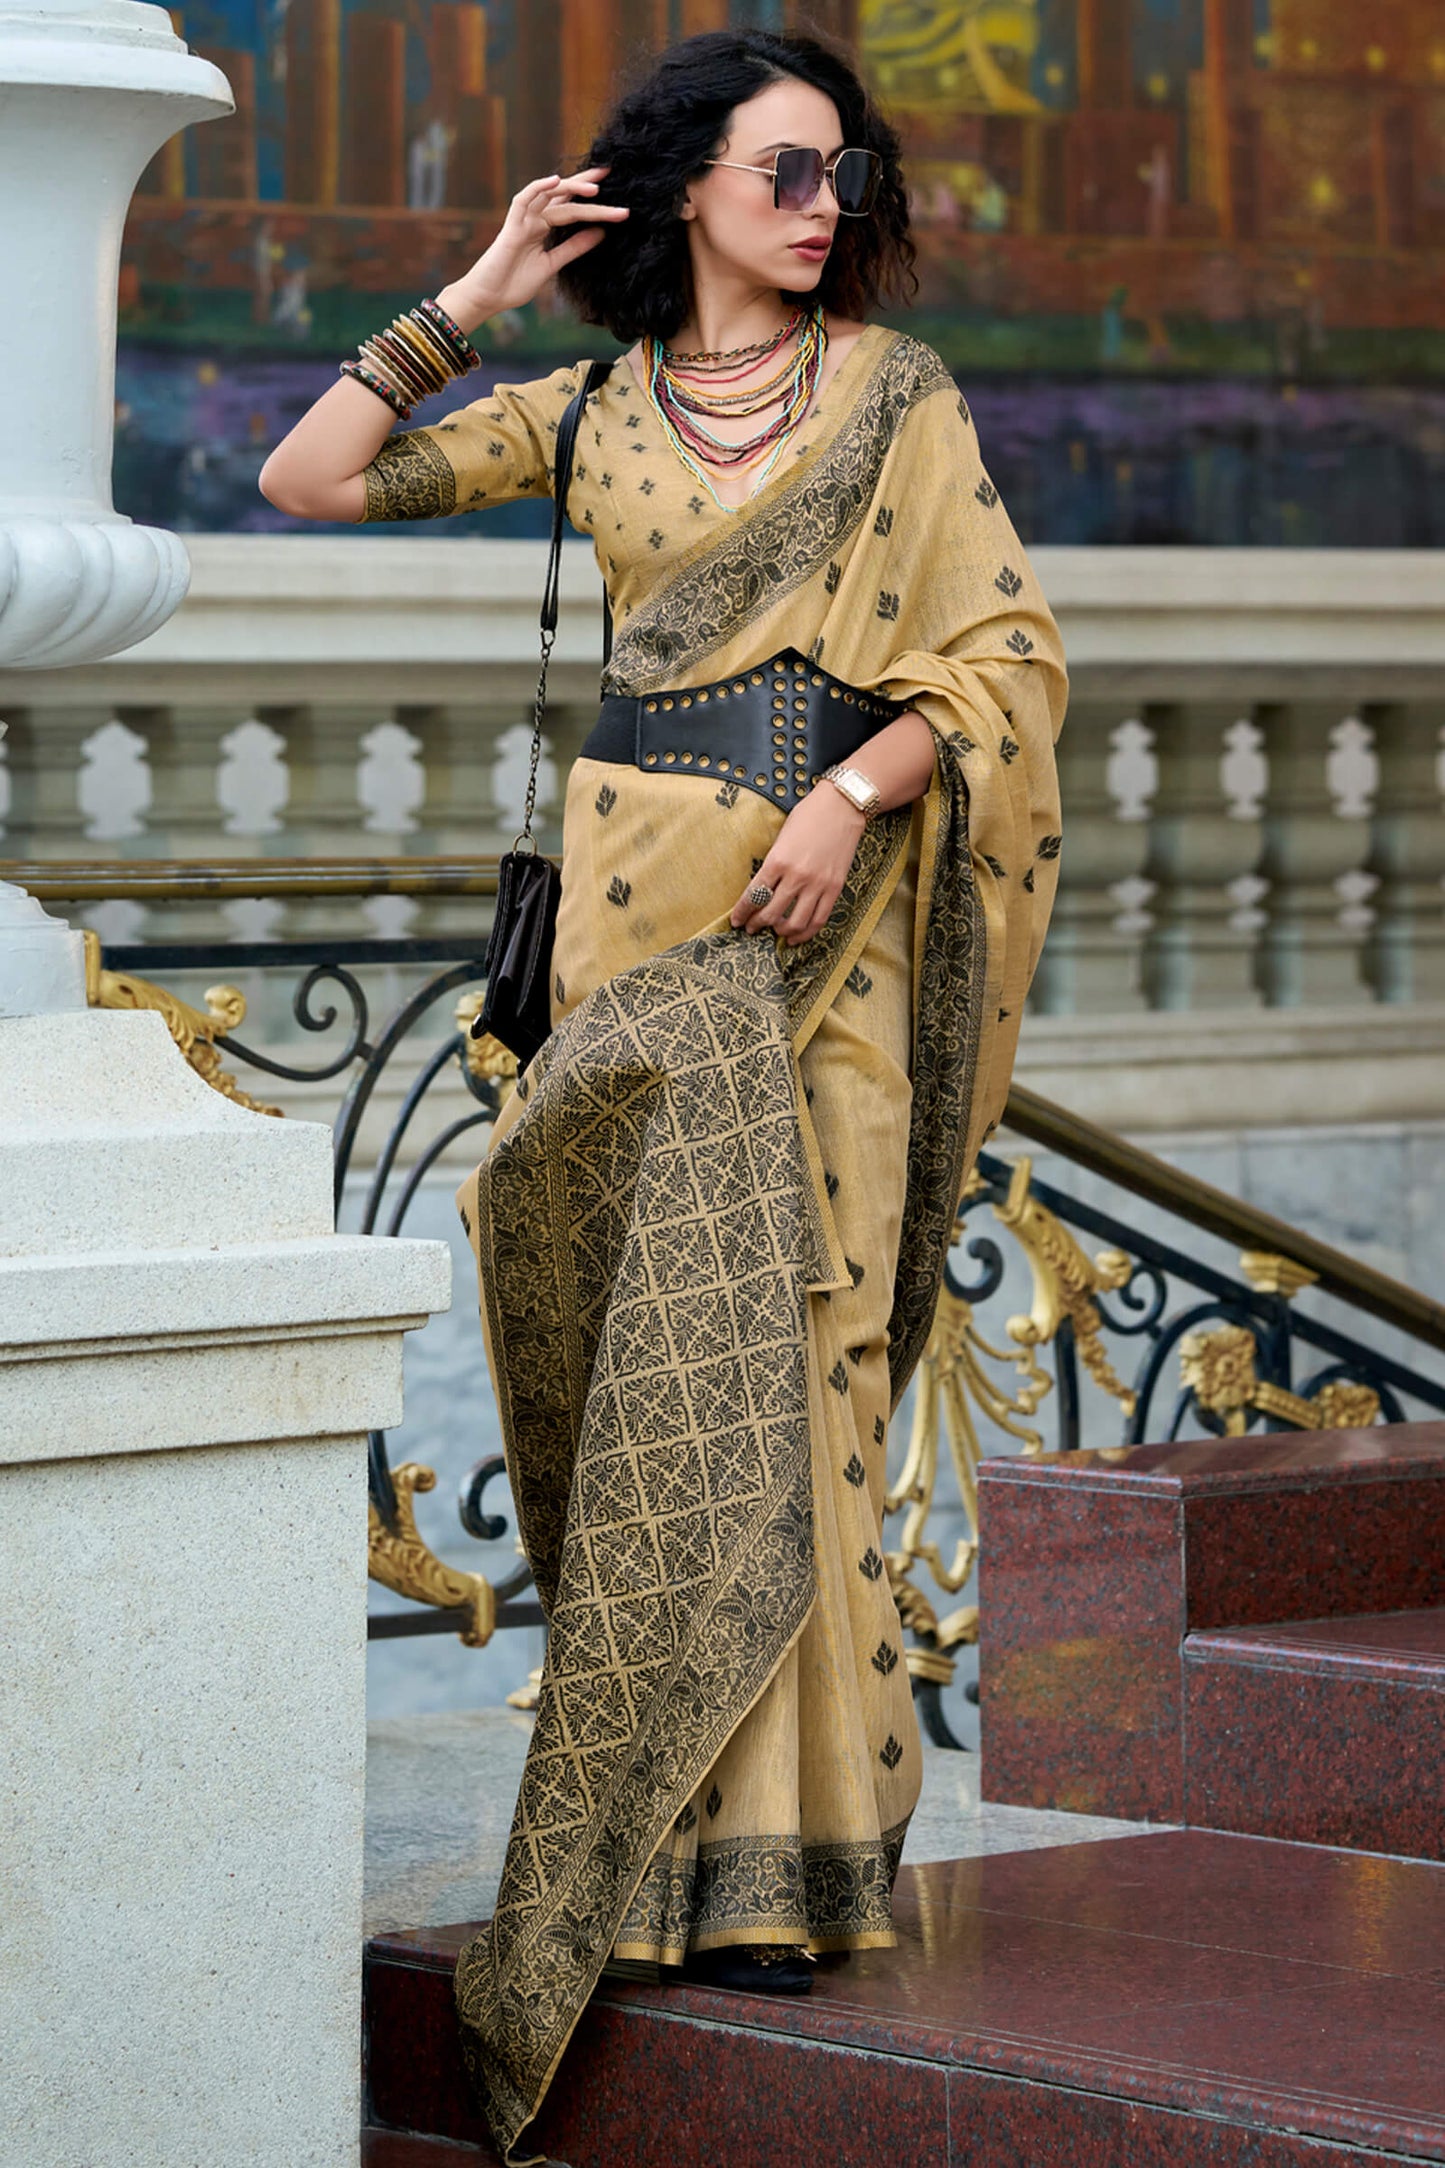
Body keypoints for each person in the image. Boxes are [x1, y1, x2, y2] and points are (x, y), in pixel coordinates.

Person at [260, 28, 1065, 2165]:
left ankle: (778, 1867)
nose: (827, 205)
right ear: (685, 186)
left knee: (783, 1373)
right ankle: (642, 1843)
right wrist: (480, 288)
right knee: (652, 1386)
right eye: (791, 170)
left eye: (846, 174)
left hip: (821, 950)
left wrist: (868, 787)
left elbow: (1004, 660)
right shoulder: (590, 407)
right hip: (632, 940)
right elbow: (309, 479)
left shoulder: (897, 404)